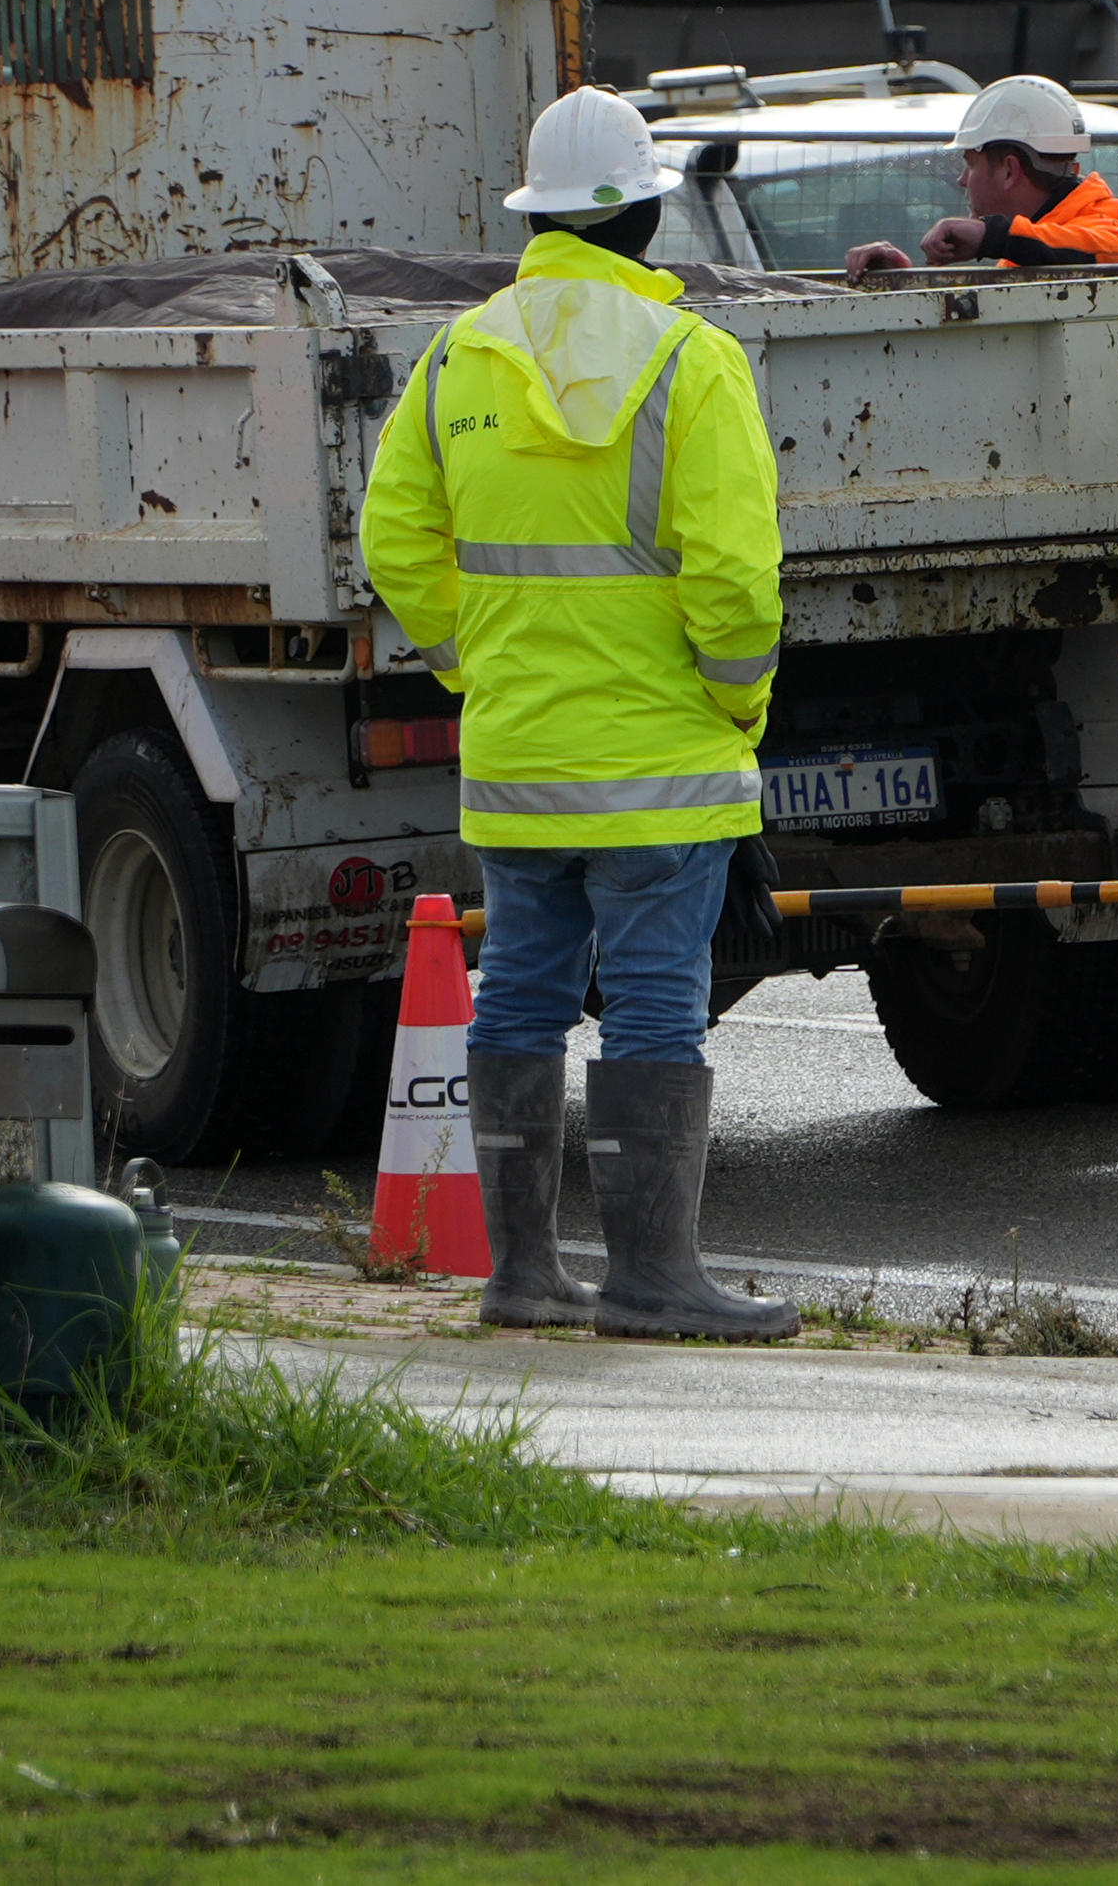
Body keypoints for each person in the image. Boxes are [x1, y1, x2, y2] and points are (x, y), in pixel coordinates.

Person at [363, 86, 794, 1342]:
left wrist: (466, 662)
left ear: (538, 216)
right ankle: (655, 1278)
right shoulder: (691, 361)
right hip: (662, 764)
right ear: (650, 213)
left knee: (517, 997)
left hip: (515, 760)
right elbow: (731, 578)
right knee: (655, 1000)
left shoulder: (458, 356)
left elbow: (394, 536)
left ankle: (521, 1275)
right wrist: (734, 702)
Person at [843, 74, 1118, 278]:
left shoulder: (1100, 235)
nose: (963, 180)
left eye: (971, 164)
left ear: (1009, 170)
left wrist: (990, 235)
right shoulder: (1028, 248)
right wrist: (903, 278)